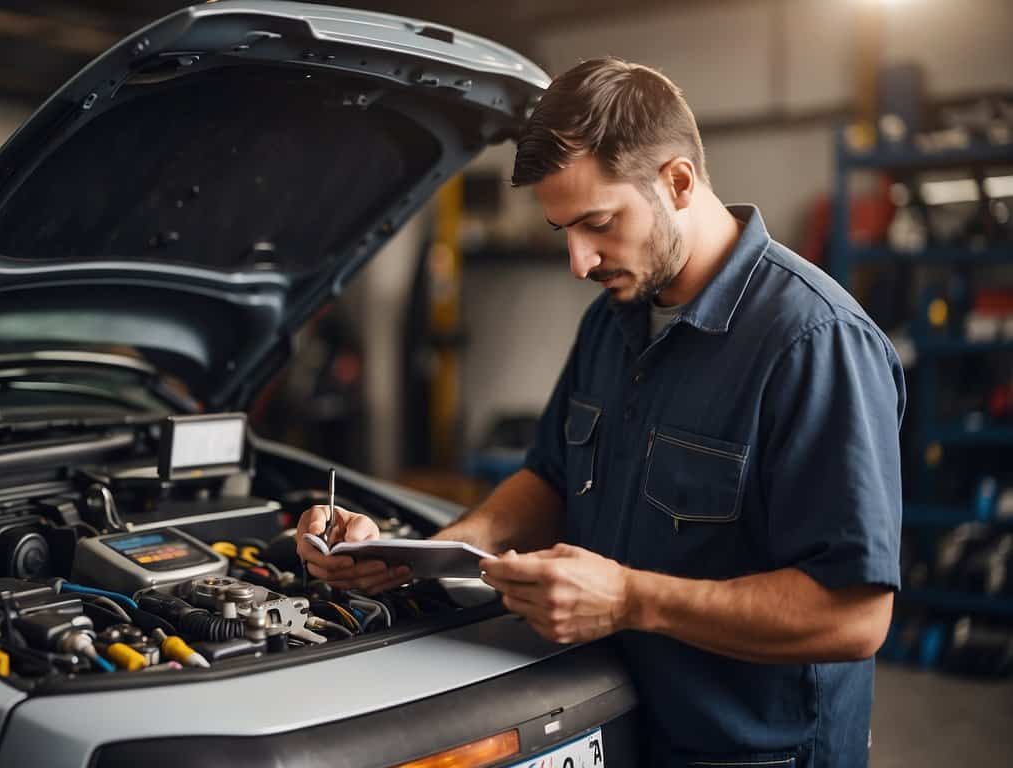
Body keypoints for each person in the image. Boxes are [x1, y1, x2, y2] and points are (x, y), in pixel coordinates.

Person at [296, 57, 904, 767]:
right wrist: (419, 557)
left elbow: (855, 616)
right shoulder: (614, 322)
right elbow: (549, 479)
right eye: (564, 232)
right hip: (621, 719)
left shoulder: (815, 343)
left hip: (751, 753)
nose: (580, 263)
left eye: (599, 223)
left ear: (678, 182)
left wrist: (629, 601)